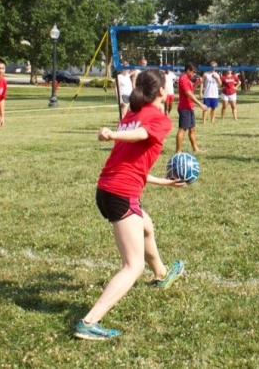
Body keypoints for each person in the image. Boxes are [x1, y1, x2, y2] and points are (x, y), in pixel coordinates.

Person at [73, 69, 186, 341]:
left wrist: (164, 182)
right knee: (132, 266)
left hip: (108, 188)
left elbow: (133, 162)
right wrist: (112, 134)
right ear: (161, 91)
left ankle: (161, 273)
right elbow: (140, 135)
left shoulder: (131, 115)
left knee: (146, 225)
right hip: (120, 193)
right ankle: (89, 321)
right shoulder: (156, 120)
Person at [175, 63, 208, 153]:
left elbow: (191, 91)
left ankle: (195, 149)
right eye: (193, 72)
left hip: (189, 107)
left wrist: (196, 84)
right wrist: (200, 104)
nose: (193, 74)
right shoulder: (183, 79)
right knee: (182, 129)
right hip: (184, 108)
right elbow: (188, 94)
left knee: (192, 129)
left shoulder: (187, 80)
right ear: (188, 70)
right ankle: (178, 151)